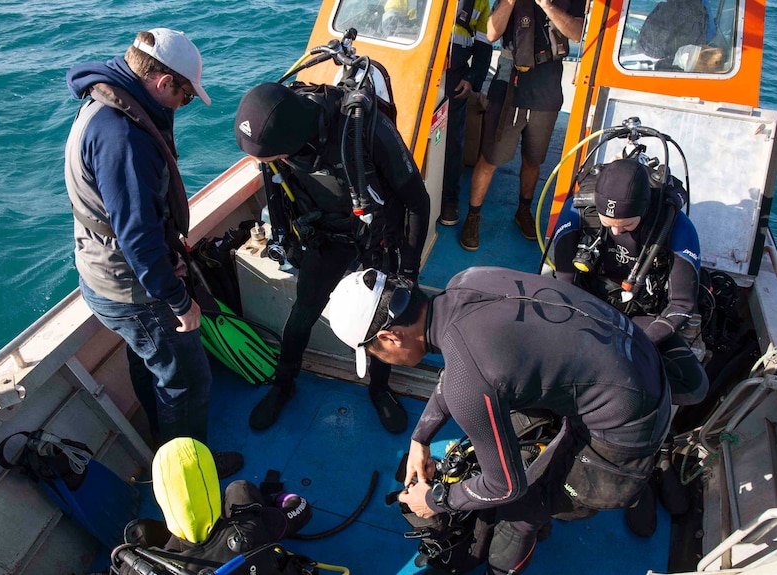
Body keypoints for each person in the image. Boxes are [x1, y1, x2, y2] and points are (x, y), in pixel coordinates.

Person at [327, 266, 671, 575]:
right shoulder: (467, 279)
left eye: (375, 354)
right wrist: (421, 438)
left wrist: (432, 501)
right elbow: (467, 368)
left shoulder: (470, 379)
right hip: (635, 356)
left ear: (390, 337)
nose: (384, 360)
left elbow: (506, 485)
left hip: (631, 421)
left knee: (522, 508)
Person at [64, 28, 242, 477]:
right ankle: (189, 473)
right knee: (187, 380)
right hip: (132, 288)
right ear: (164, 83)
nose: (182, 106)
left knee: (149, 360)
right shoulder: (124, 136)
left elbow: (130, 214)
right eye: (184, 97)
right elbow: (136, 236)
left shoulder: (106, 102)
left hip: (103, 273)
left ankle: (161, 444)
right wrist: (178, 300)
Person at [234, 81, 430, 434]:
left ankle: (380, 388)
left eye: (271, 158)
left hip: (378, 237)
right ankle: (284, 383)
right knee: (302, 313)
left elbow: (418, 200)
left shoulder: (360, 129)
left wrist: (409, 271)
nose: (272, 164)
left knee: (380, 323)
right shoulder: (280, 145)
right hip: (328, 234)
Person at [551, 158, 708, 407]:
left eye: (626, 226)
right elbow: (564, 283)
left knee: (694, 388)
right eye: (607, 223)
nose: (615, 232)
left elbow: (681, 303)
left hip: (640, 317)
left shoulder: (674, 226)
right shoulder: (578, 210)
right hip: (586, 307)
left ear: (644, 211)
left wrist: (632, 345)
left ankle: (623, 402)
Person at [460, 0, 586, 250]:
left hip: (546, 87)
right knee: (490, 158)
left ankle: (523, 211)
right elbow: (493, 32)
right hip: (508, 85)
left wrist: (547, 5)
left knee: (533, 159)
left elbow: (578, 33)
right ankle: (473, 216)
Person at [115, 438, 312, 575]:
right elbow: (302, 508)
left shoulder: (147, 565)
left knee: (142, 531)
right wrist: (281, 499)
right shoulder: (251, 526)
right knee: (239, 489)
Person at [438, 0, 494, 226]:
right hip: (418, 70)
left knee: (452, 140)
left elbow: (483, 47)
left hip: (455, 81)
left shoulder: (481, 3)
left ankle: (449, 200)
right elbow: (391, 18)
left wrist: (472, 79)